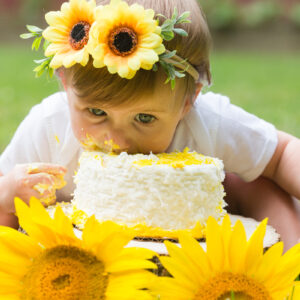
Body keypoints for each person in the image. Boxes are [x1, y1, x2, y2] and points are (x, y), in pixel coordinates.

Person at [1, 0, 300, 249]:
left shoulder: (207, 123)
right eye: (95, 111)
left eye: (144, 118)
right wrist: (7, 195)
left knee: (256, 181)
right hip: (79, 256)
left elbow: (280, 154)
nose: (117, 139)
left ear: (187, 103)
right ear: (66, 85)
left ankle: (291, 258)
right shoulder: (48, 126)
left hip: (188, 253)